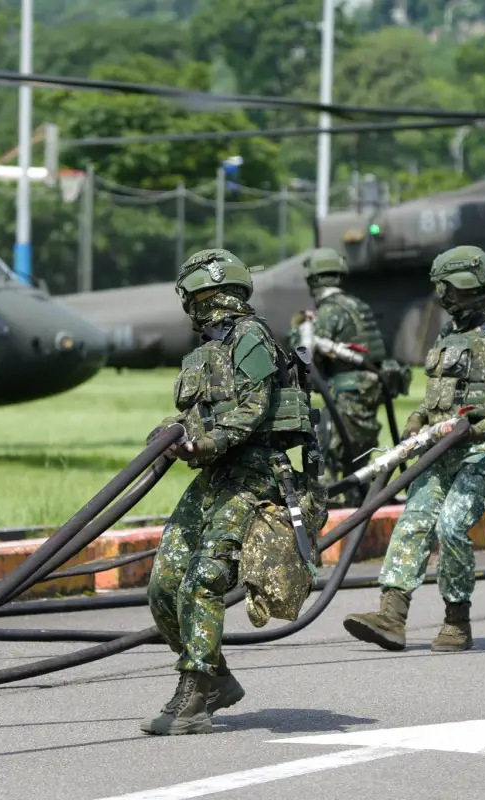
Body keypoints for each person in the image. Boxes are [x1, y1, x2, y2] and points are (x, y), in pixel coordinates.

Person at [141, 248, 325, 736]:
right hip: (217, 474)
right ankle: (217, 676)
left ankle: (196, 690)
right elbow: (203, 413)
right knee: (163, 582)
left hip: (256, 473)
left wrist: (204, 442)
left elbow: (252, 408)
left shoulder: (250, 336)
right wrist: (172, 430)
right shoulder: (207, 349)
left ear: (205, 295)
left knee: (203, 577)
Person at [340, 245, 485, 653]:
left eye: (450, 289)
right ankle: (391, 617)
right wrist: (419, 420)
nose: (445, 297)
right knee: (413, 521)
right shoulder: (449, 333)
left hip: (484, 451)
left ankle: (456, 621)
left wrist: (476, 430)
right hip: (439, 448)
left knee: (451, 525)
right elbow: (437, 396)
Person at [289, 247, 408, 507]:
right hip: (368, 389)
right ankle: (358, 499)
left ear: (313, 279)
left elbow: (309, 356)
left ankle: (324, 503)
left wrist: (296, 333)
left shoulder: (330, 311)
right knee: (356, 453)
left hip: (348, 390)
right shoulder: (356, 304)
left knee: (328, 447)